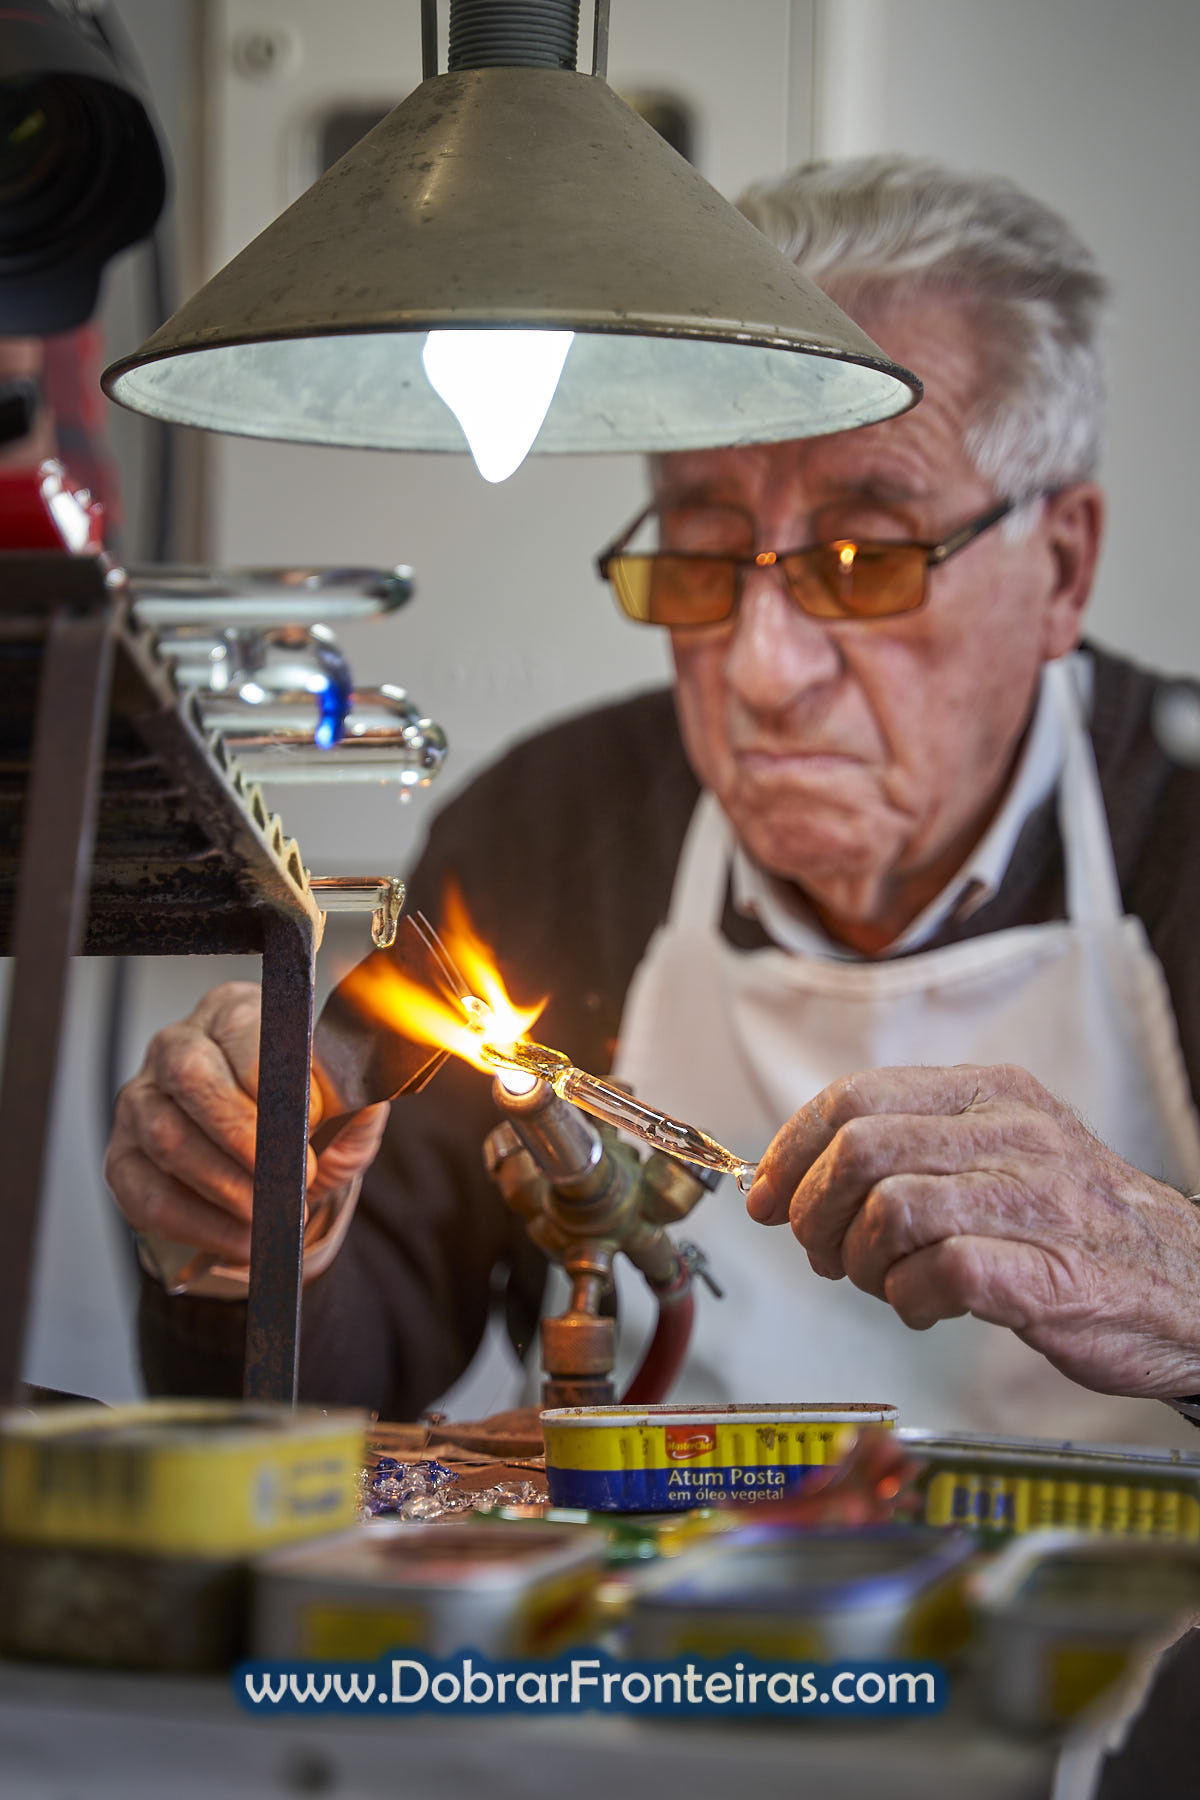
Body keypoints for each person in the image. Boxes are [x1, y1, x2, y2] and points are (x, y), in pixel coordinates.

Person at [107, 155, 1200, 1442]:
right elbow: (335, 1390)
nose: (760, 669)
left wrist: (1173, 1281)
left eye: (865, 559)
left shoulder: (1176, 826)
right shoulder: (543, 835)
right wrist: (250, 1226)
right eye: (702, 551)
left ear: (1061, 566)